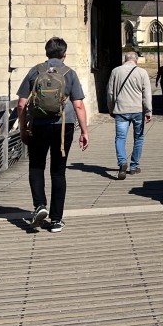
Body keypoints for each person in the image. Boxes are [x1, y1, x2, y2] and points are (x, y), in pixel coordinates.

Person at [16, 37, 89, 233]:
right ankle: (56, 220)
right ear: (64, 54)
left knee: (36, 166)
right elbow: (79, 105)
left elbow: (22, 104)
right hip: (63, 127)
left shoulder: (35, 71)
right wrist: (84, 131)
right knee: (58, 171)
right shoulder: (69, 73)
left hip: (38, 125)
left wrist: (23, 129)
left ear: (46, 53)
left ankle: (40, 206)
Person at [107, 51, 153, 180]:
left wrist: (111, 108)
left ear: (125, 59)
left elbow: (110, 93)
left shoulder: (116, 71)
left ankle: (122, 162)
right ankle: (134, 166)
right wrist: (148, 111)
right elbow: (147, 94)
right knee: (138, 138)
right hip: (138, 110)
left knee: (120, 138)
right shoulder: (142, 72)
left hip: (121, 110)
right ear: (136, 60)